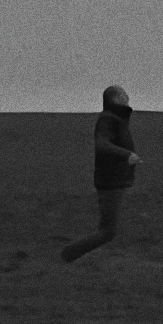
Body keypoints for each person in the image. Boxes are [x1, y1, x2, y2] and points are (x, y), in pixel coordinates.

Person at [61, 85, 141, 262]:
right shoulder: (108, 119)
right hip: (110, 181)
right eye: (124, 94)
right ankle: (68, 254)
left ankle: (70, 255)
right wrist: (127, 154)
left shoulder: (116, 118)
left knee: (108, 228)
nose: (128, 96)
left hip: (114, 180)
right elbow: (102, 144)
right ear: (116, 99)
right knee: (107, 231)